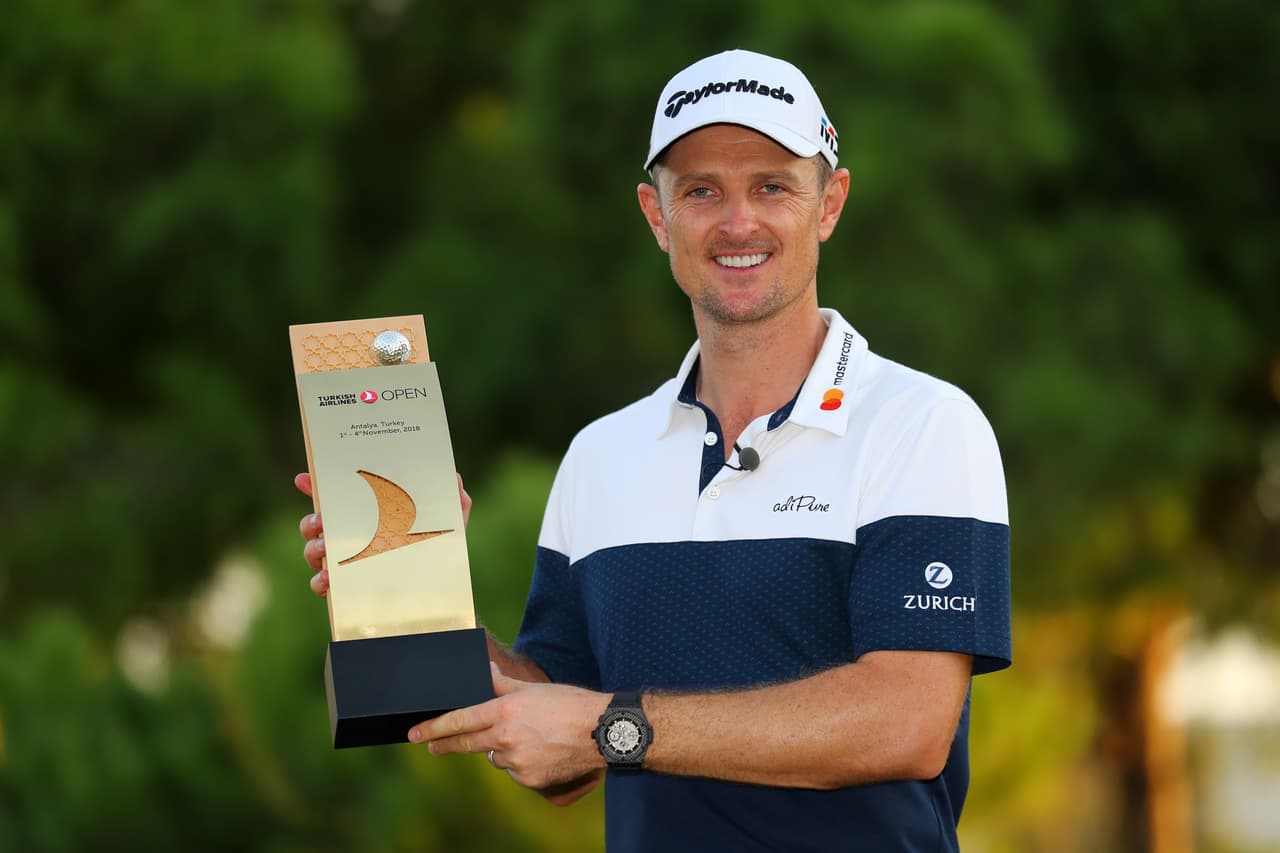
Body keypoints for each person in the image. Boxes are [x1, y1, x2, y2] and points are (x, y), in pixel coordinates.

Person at [298, 49, 1011, 853]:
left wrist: (617, 727)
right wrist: (414, 584)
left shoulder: (922, 425)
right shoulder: (601, 455)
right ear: (655, 214)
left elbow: (905, 722)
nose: (738, 221)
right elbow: (563, 753)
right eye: (701, 190)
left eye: (772, 186)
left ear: (829, 203)